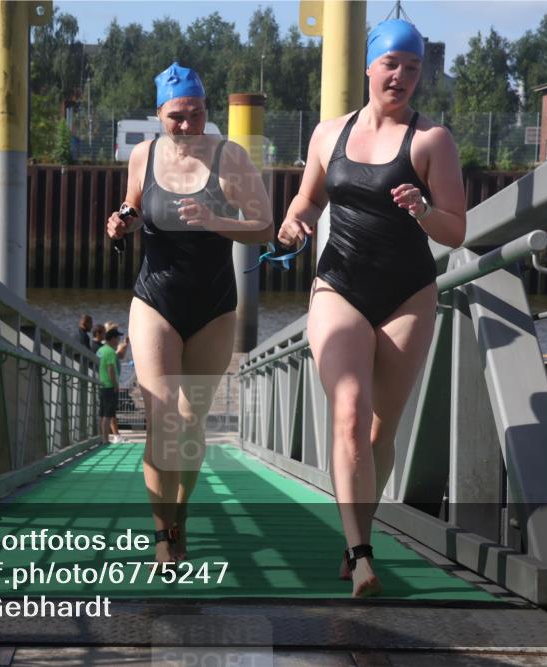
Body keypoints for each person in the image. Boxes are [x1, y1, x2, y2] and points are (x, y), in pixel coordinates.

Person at [278, 19, 466, 597]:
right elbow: (307, 200)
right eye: (391, 64)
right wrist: (294, 223)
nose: (401, 76)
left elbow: (456, 230)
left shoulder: (432, 140)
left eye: (412, 68)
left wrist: (423, 210)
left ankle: (354, 537)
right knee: (349, 413)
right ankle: (362, 554)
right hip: (339, 286)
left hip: (408, 293)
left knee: (383, 428)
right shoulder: (328, 134)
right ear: (369, 66)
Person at [106, 62, 273, 563]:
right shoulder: (143, 155)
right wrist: (122, 222)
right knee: (161, 418)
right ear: (159, 114)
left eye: (196, 114)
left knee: (190, 421)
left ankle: (179, 513)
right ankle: (163, 538)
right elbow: (134, 204)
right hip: (155, 300)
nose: (186, 125)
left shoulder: (230, 157)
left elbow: (264, 227)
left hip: (214, 308)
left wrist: (214, 219)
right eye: (176, 116)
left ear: (207, 111)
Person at [98, 328, 124, 444]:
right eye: (118, 338)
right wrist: (115, 384)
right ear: (112, 338)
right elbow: (111, 369)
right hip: (109, 386)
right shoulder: (111, 352)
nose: (119, 340)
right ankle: (105, 439)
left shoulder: (100, 350)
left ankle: (101, 438)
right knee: (108, 414)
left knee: (102, 413)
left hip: (101, 384)